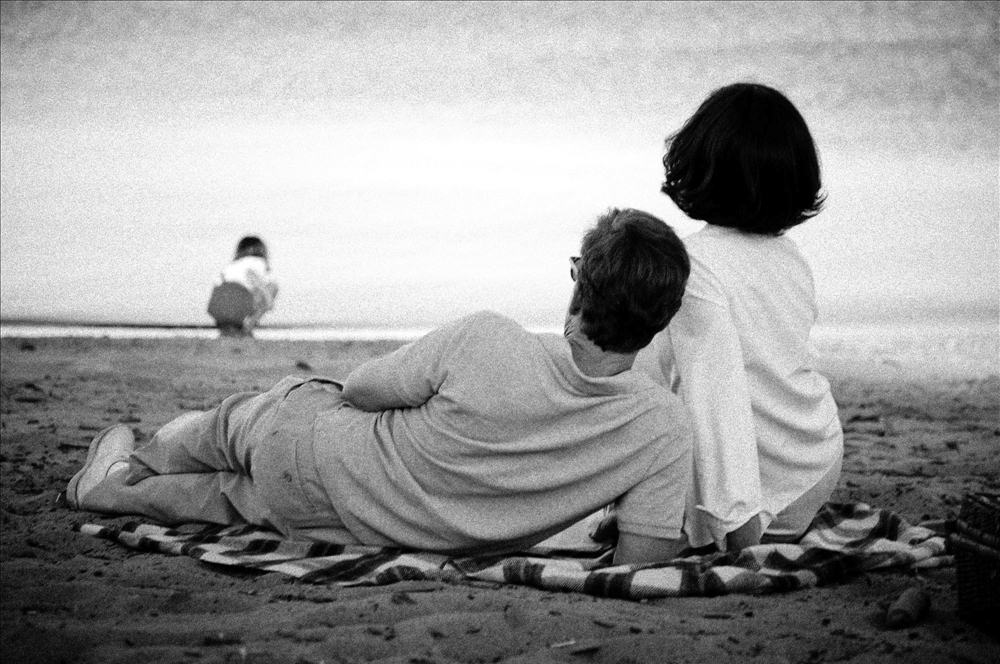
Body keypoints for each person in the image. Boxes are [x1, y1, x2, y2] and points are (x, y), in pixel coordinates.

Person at [66, 208, 694, 565]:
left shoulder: (488, 339)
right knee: (228, 499)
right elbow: (641, 557)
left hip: (317, 454)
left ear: (579, 285)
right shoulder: (662, 426)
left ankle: (136, 463)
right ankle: (112, 493)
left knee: (234, 424)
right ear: (661, 319)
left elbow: (364, 389)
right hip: (362, 527)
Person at [634, 82, 844, 554]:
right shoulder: (791, 258)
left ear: (698, 163)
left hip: (754, 480)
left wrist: (739, 522)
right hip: (814, 459)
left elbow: (715, 394)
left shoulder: (693, 265)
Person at [207, 236, 279, 337]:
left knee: (237, 295)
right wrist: (268, 301)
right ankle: (247, 327)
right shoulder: (258, 261)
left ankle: (227, 331)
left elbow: (218, 286)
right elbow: (253, 276)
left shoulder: (232, 265)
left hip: (216, 307)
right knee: (272, 286)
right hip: (236, 304)